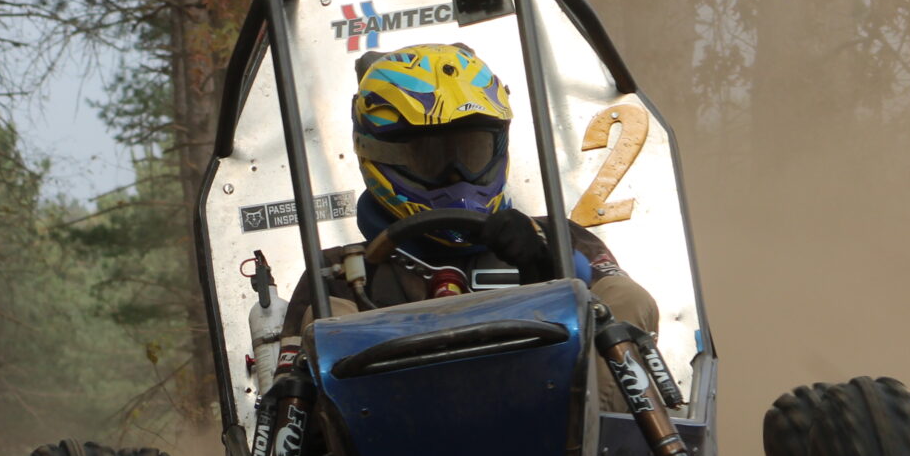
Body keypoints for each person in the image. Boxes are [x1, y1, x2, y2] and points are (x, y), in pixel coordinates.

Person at [276, 42, 662, 337]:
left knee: (625, 298)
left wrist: (548, 273)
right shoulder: (336, 276)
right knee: (326, 325)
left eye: (471, 152)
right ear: (377, 153)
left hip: (560, 431)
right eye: (430, 156)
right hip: (398, 434)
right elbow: (287, 411)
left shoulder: (561, 237)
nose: (454, 175)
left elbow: (629, 320)